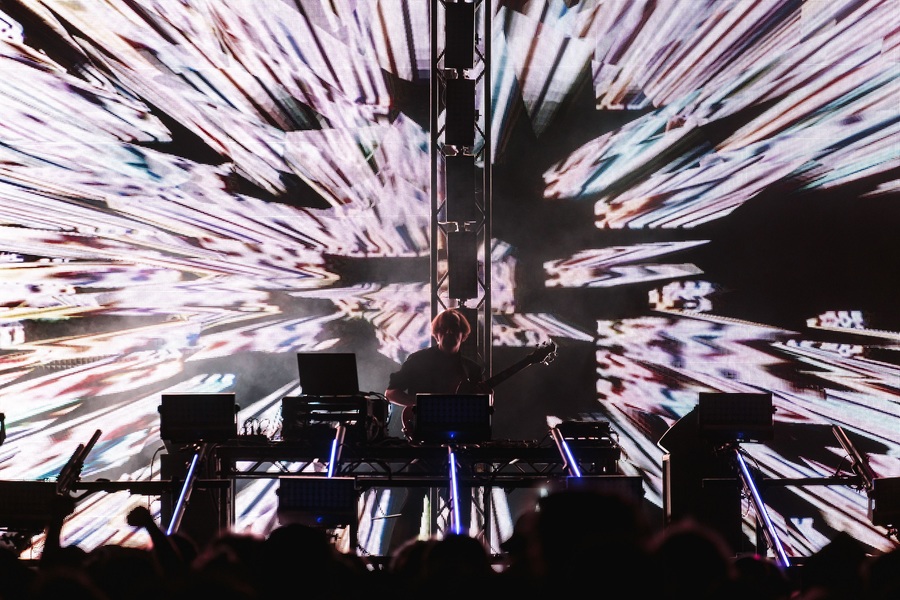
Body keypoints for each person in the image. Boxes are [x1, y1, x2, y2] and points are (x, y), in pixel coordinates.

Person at [383, 308, 486, 552]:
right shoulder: (419, 360)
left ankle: (458, 557)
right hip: (423, 441)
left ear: (464, 335)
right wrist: (419, 405)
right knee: (414, 500)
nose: (450, 334)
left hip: (459, 442)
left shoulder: (472, 369)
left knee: (461, 501)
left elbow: (482, 408)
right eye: (444, 330)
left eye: (455, 330)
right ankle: (398, 557)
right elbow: (391, 392)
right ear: (436, 334)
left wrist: (488, 399)